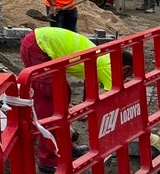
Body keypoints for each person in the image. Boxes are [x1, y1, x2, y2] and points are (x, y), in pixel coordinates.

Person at [20, 27, 134, 174]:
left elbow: (91, 82)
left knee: (63, 95)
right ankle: (48, 161)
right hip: (39, 47)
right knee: (51, 101)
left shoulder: (105, 57)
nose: (126, 79)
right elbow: (115, 103)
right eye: (129, 76)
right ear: (125, 69)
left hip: (42, 42)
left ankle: (66, 147)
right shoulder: (108, 68)